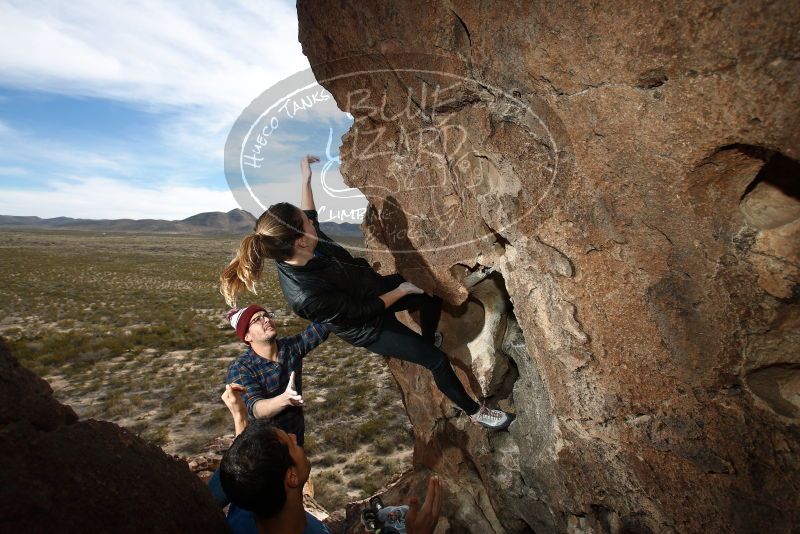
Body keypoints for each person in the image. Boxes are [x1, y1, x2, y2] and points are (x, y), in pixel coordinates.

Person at [220, 155, 512, 430]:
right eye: (307, 223)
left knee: (431, 293)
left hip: (370, 287)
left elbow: (308, 214)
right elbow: (361, 312)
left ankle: (427, 338)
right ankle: (476, 413)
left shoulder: (304, 242)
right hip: (368, 327)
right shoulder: (304, 295)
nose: (313, 222)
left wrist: (306, 178)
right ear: (299, 242)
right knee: (435, 361)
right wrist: (400, 290)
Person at [217, 384, 442, 534]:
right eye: (290, 443)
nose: (295, 437)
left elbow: (243, 464)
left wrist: (239, 417)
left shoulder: (246, 503)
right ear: (292, 477)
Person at [225, 304, 329, 445]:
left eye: (266, 315)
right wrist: (285, 399)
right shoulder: (241, 369)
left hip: (296, 438)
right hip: (266, 448)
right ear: (247, 336)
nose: (266, 320)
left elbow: (322, 327)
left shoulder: (290, 348)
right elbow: (255, 408)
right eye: (257, 320)